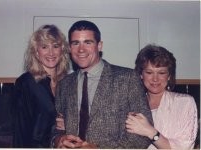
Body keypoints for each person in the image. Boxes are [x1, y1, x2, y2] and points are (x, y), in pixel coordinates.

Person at [53, 20, 153, 149]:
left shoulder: (127, 79)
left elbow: (143, 135)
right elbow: (54, 127)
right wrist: (59, 140)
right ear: (69, 48)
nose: (81, 49)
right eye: (75, 43)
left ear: (99, 45)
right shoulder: (64, 84)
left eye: (88, 42)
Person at [125, 44, 198, 149]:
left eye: (161, 73)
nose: (155, 79)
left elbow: (183, 147)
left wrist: (150, 132)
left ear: (169, 76)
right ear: (141, 75)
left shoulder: (184, 103)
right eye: (149, 72)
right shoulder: (131, 105)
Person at [12, 24, 70, 148]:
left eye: (55, 46)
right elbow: (20, 130)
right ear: (36, 52)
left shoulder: (68, 82)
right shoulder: (26, 83)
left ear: (62, 50)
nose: (51, 52)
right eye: (44, 47)